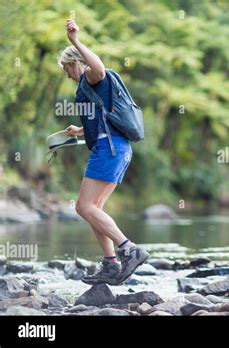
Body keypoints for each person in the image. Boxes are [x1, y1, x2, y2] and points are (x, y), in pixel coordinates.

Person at [58, 18, 149, 285]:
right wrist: (79, 131)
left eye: (67, 69)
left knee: (83, 206)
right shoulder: (88, 87)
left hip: (110, 149)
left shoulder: (91, 75)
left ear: (75, 63)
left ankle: (129, 250)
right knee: (94, 208)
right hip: (116, 148)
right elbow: (102, 121)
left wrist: (75, 40)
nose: (67, 75)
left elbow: (99, 68)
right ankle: (110, 264)